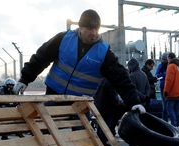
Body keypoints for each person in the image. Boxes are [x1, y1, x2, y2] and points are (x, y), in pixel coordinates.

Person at [13, 9, 146, 116]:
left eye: (96, 29)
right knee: (46, 133)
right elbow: (41, 58)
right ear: (80, 27)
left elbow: (121, 78)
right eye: (89, 29)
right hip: (54, 96)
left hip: (81, 103)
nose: (93, 33)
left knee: (83, 141)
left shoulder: (103, 52)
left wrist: (134, 102)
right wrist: (25, 79)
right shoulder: (63, 39)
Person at [164, 52, 179, 128]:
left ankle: (174, 125)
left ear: (169, 58)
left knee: (170, 108)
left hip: (172, 92)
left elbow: (169, 80)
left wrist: (166, 91)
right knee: (176, 108)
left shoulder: (171, 66)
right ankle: (178, 124)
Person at [155, 52, 169, 122]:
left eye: (166, 59)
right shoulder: (160, 66)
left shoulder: (171, 65)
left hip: (170, 86)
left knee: (170, 104)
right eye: (164, 59)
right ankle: (165, 120)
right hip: (163, 86)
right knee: (165, 103)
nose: (164, 60)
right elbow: (157, 75)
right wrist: (164, 74)